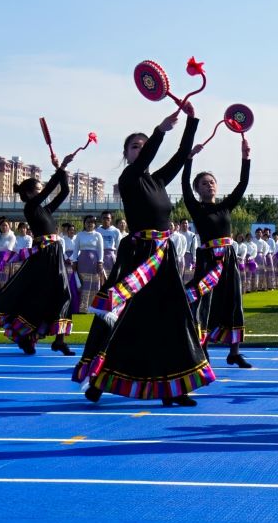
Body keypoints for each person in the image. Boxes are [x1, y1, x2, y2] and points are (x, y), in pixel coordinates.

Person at [73, 104, 212, 406]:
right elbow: (148, 157)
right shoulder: (129, 178)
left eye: (143, 145)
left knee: (173, 319)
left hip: (164, 256)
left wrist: (192, 120)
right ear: (126, 154)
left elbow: (181, 155)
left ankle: (174, 387)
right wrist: (160, 131)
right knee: (124, 318)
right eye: (135, 146)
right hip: (138, 256)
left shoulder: (158, 181)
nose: (141, 149)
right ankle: (99, 379)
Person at [0, 161, 76, 355]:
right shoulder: (30, 208)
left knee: (64, 294)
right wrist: (59, 168)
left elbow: (65, 191)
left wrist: (63, 170)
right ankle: (26, 336)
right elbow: (49, 190)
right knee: (38, 296)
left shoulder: (45, 210)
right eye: (38, 189)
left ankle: (59, 340)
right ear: (30, 193)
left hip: (55, 253)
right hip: (43, 255)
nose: (42, 191)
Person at [182, 134, 254, 369]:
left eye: (211, 182)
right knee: (205, 304)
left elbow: (242, 184)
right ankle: (202, 351)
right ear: (197, 189)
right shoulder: (196, 208)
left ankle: (234, 352)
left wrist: (245, 158)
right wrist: (189, 158)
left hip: (229, 259)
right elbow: (184, 185)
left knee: (234, 301)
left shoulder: (225, 206)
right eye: (204, 183)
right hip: (209, 260)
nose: (209, 185)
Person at [73, 216, 107, 310]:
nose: (90, 224)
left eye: (92, 222)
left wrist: (100, 262)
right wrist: (74, 261)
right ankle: (82, 310)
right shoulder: (79, 235)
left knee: (94, 286)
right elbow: (75, 250)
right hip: (82, 264)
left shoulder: (98, 235)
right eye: (88, 222)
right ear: (84, 223)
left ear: (95, 224)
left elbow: (101, 250)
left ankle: (92, 309)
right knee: (83, 286)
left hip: (94, 265)